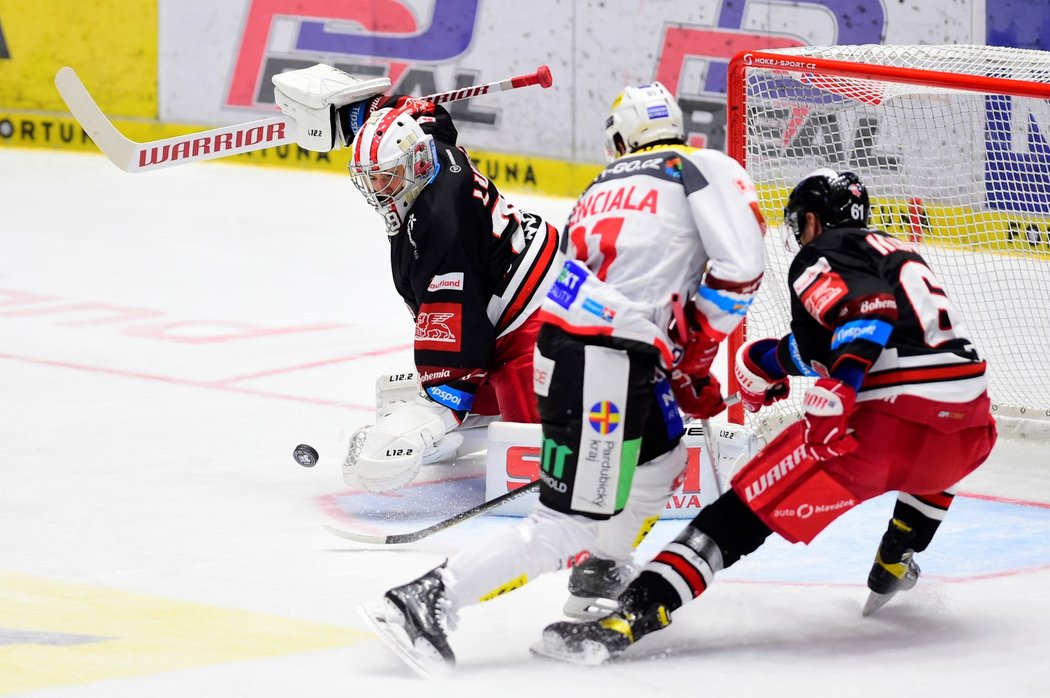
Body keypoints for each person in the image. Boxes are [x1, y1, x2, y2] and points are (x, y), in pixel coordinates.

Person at [357, 81, 767, 675]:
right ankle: (424, 602)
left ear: (620, 139)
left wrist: (666, 365)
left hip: (571, 344)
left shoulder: (602, 187)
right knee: (562, 522)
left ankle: (600, 566)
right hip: (610, 356)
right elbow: (738, 271)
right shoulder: (704, 166)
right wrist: (694, 361)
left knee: (661, 462)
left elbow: (594, 281)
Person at [531, 169, 999, 665]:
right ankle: (896, 556)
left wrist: (837, 392)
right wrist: (766, 364)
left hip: (879, 432)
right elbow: (843, 342)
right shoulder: (895, 251)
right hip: (970, 434)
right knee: (931, 452)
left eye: (800, 223)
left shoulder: (821, 252)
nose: (798, 233)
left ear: (813, 220)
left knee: (732, 520)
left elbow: (868, 314)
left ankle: (628, 617)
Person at [272, 63, 562, 493]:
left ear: (414, 164)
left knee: (536, 449)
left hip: (535, 322)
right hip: (519, 284)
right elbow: (426, 113)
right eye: (370, 179)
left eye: (386, 177)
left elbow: (455, 328)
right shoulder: (431, 147)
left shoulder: (440, 226)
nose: (378, 190)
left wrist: (438, 412)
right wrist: (354, 114)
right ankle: (500, 399)